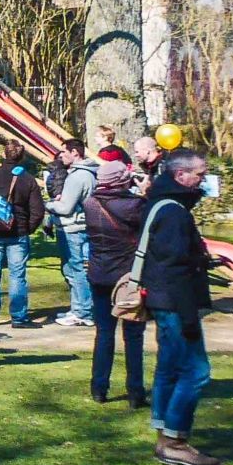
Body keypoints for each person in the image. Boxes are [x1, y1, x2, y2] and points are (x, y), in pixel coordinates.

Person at [140, 149, 221, 465]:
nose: (204, 180)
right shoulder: (174, 212)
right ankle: (175, 441)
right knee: (196, 372)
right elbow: (173, 267)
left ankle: (165, 436)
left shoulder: (162, 204)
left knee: (169, 369)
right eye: (200, 175)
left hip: (164, 299)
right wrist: (189, 316)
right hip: (174, 302)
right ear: (180, 176)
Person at [83, 159, 149, 409]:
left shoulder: (89, 203)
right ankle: (135, 391)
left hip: (99, 275)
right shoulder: (135, 205)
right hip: (128, 278)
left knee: (103, 333)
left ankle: (99, 387)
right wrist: (145, 193)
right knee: (133, 336)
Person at [0, 143, 45, 326]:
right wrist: (28, 228)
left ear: (3, 154)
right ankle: (18, 316)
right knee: (17, 275)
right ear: (22, 157)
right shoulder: (28, 179)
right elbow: (37, 210)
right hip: (18, 232)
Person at [47, 138, 97, 328]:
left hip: (72, 227)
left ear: (75, 152)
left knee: (74, 269)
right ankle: (81, 307)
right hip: (84, 225)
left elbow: (66, 207)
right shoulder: (91, 173)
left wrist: (49, 205)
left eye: (65, 152)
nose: (62, 156)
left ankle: (82, 311)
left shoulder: (77, 177)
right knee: (81, 268)